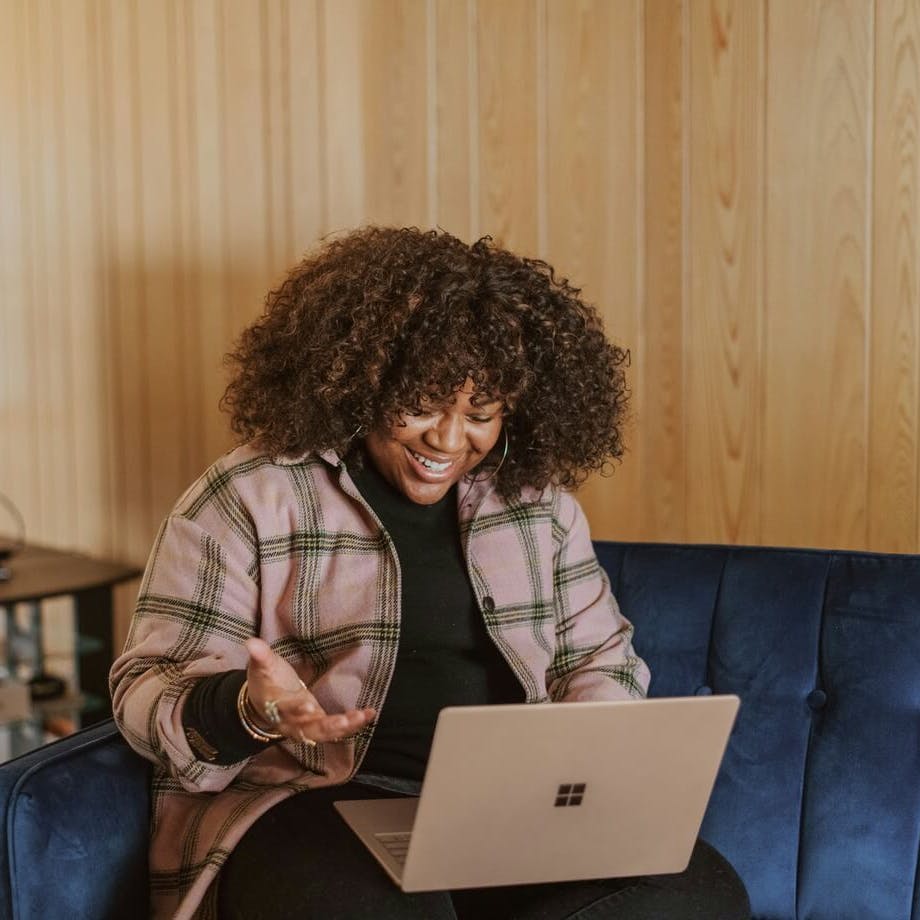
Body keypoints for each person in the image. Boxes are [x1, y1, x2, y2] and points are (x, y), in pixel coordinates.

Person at [110, 227, 749, 920]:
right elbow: (145, 690)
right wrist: (248, 707)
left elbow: (600, 662)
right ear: (362, 381)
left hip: (509, 812)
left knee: (697, 895)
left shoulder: (541, 507)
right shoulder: (250, 496)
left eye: (480, 414)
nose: (447, 441)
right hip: (312, 803)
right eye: (420, 405)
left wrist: (580, 761)